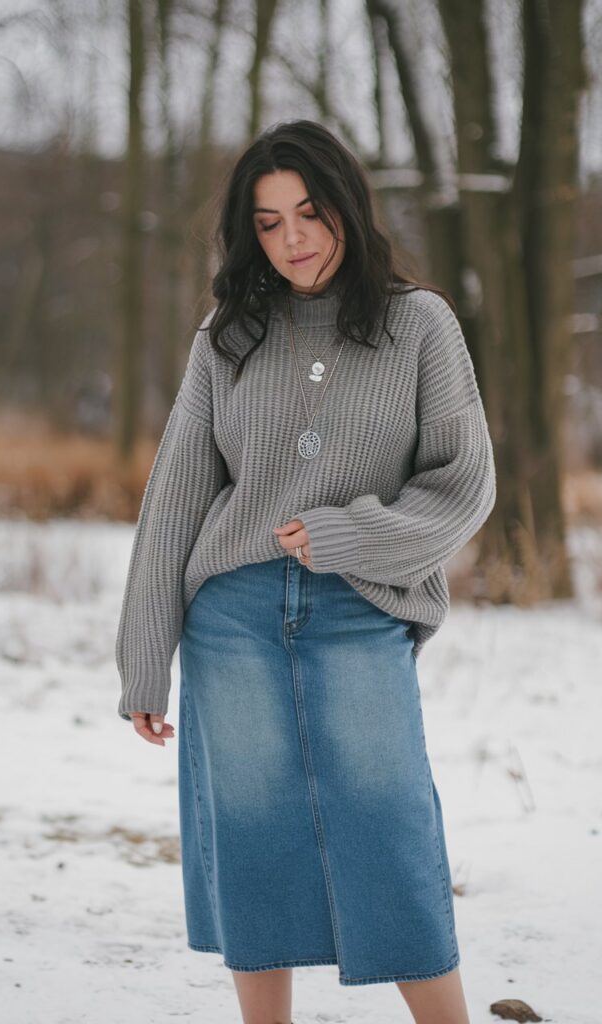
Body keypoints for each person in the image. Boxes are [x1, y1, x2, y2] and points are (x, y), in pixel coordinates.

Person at [115, 118, 496, 1024]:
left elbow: (464, 485)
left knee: (389, 825)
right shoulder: (228, 336)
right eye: (270, 220)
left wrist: (354, 537)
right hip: (232, 617)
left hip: (360, 610)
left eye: (310, 213)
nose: (293, 239)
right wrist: (143, 657)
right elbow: (174, 500)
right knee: (252, 835)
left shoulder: (419, 325)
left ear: (348, 211)